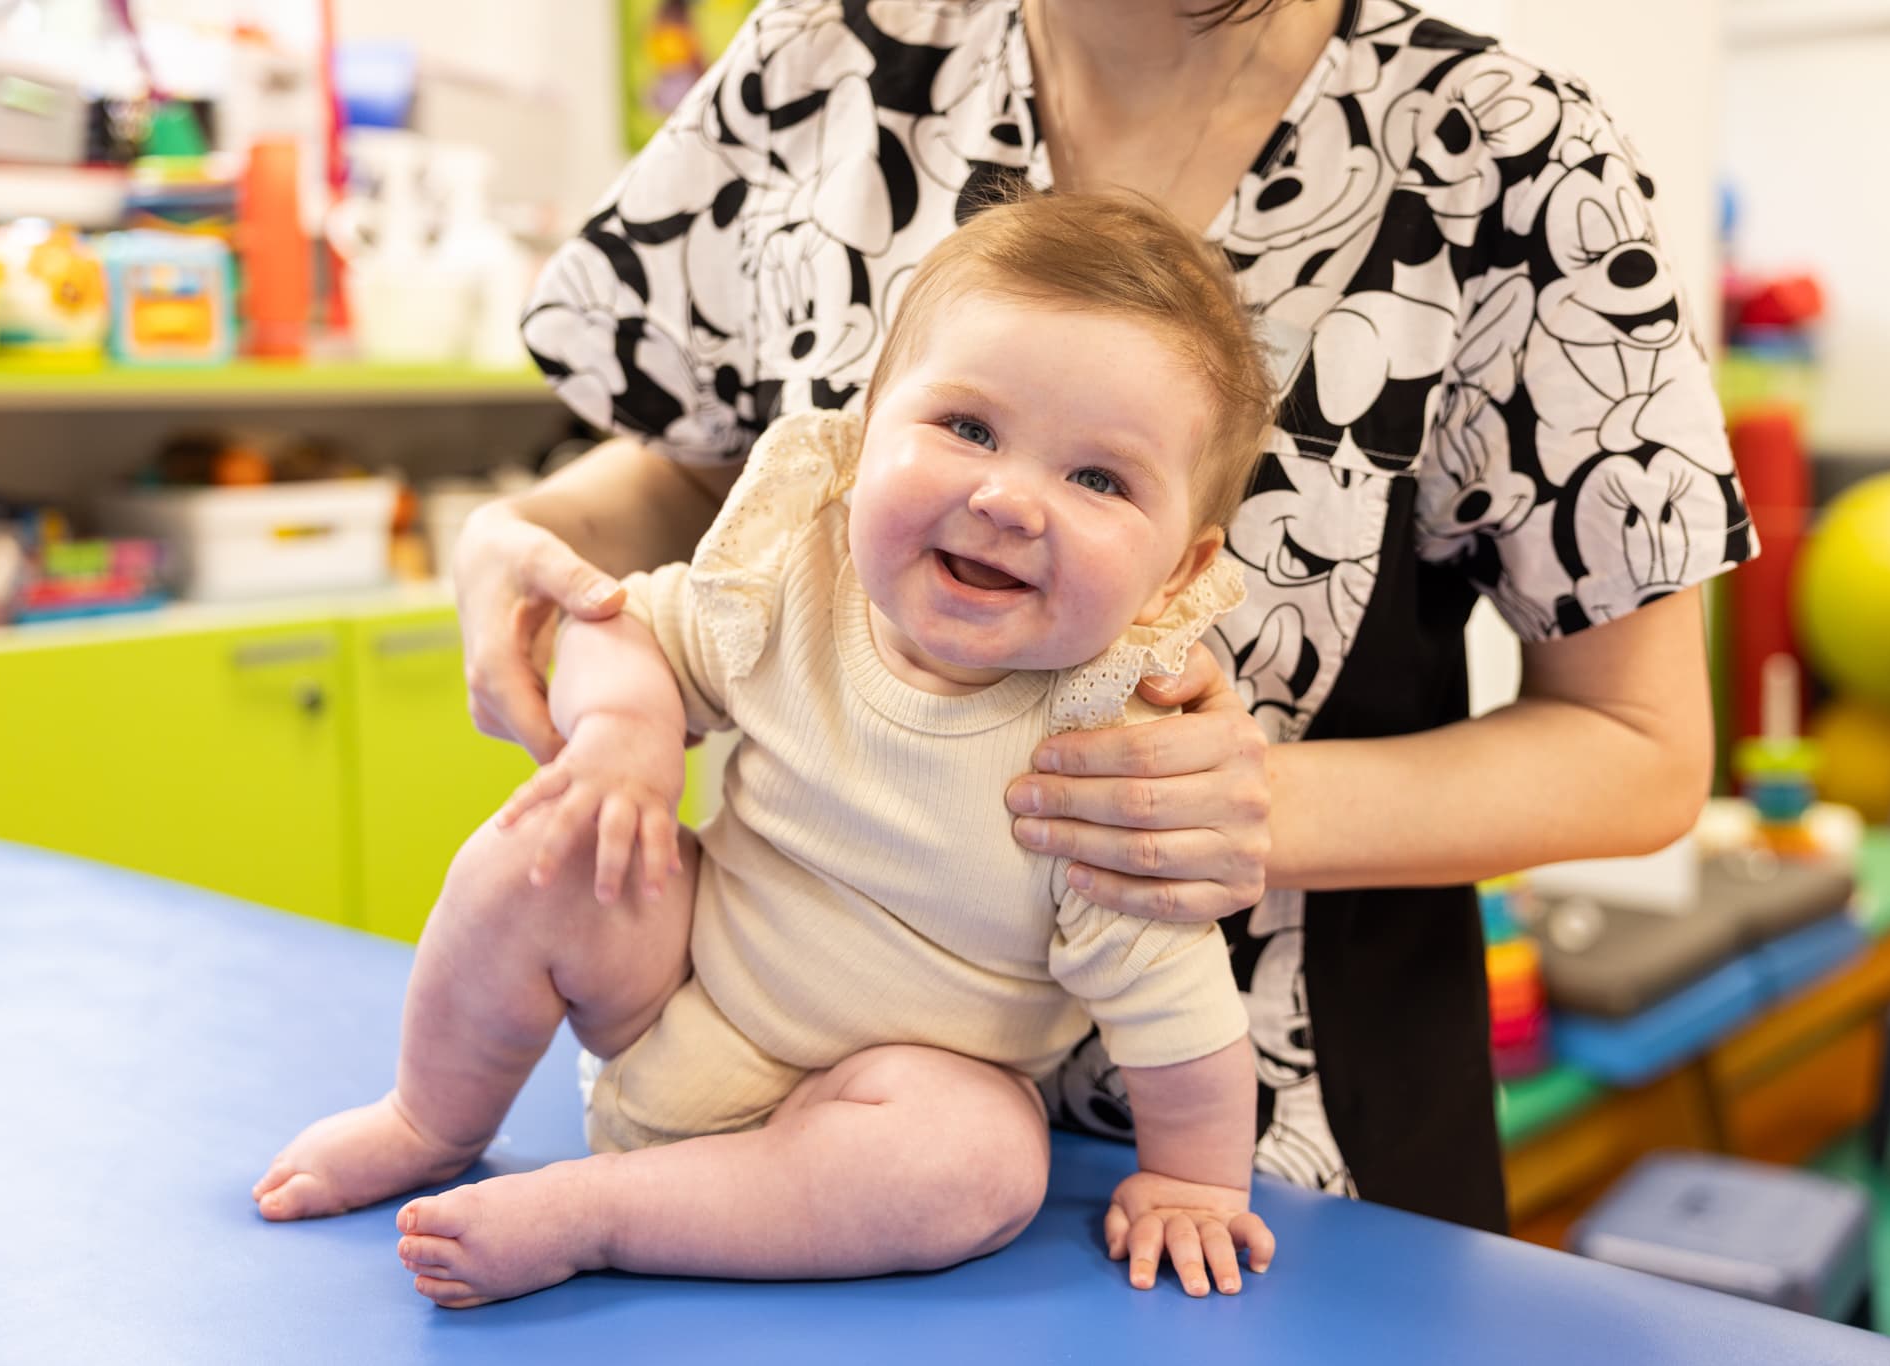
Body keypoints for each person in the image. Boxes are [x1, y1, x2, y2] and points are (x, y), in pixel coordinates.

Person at [454, 0, 1755, 1233]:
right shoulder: (827, 54)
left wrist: (1247, 811)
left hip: (1254, 1180)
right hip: (754, 1080)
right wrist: (530, 541)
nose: (1007, 503)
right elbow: (706, 473)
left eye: (1096, 481)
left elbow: (1637, 745)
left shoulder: (1514, 165)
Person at [254, 191, 1283, 1306]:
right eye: (967, 428)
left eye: (1097, 480)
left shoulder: (1110, 761)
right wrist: (627, 732)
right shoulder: (796, 581)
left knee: (979, 1161)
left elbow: (1180, 1014)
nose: (1006, 499)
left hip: (864, 1122)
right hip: (673, 989)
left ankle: (601, 1213)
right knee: (545, 845)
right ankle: (428, 1119)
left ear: (1178, 573)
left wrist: (1193, 1180)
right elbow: (623, 625)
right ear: (865, 430)